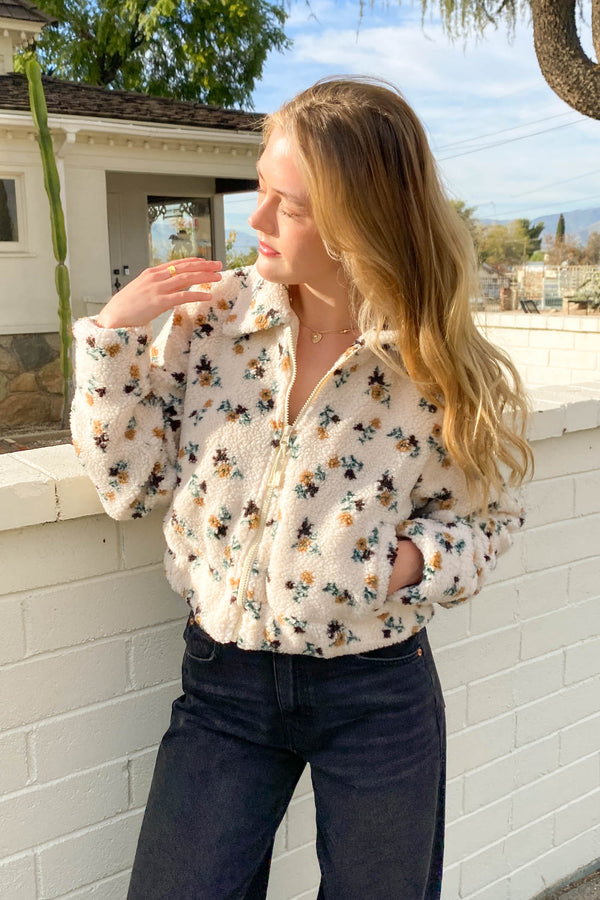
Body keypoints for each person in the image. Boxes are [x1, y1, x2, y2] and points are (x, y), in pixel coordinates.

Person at [70, 77, 531, 900]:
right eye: (261, 187)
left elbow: (487, 519)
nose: (254, 219)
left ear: (361, 220)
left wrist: (405, 563)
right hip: (225, 683)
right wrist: (111, 338)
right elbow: (130, 484)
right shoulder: (214, 323)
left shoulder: (428, 359)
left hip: (375, 690)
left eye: (289, 206)